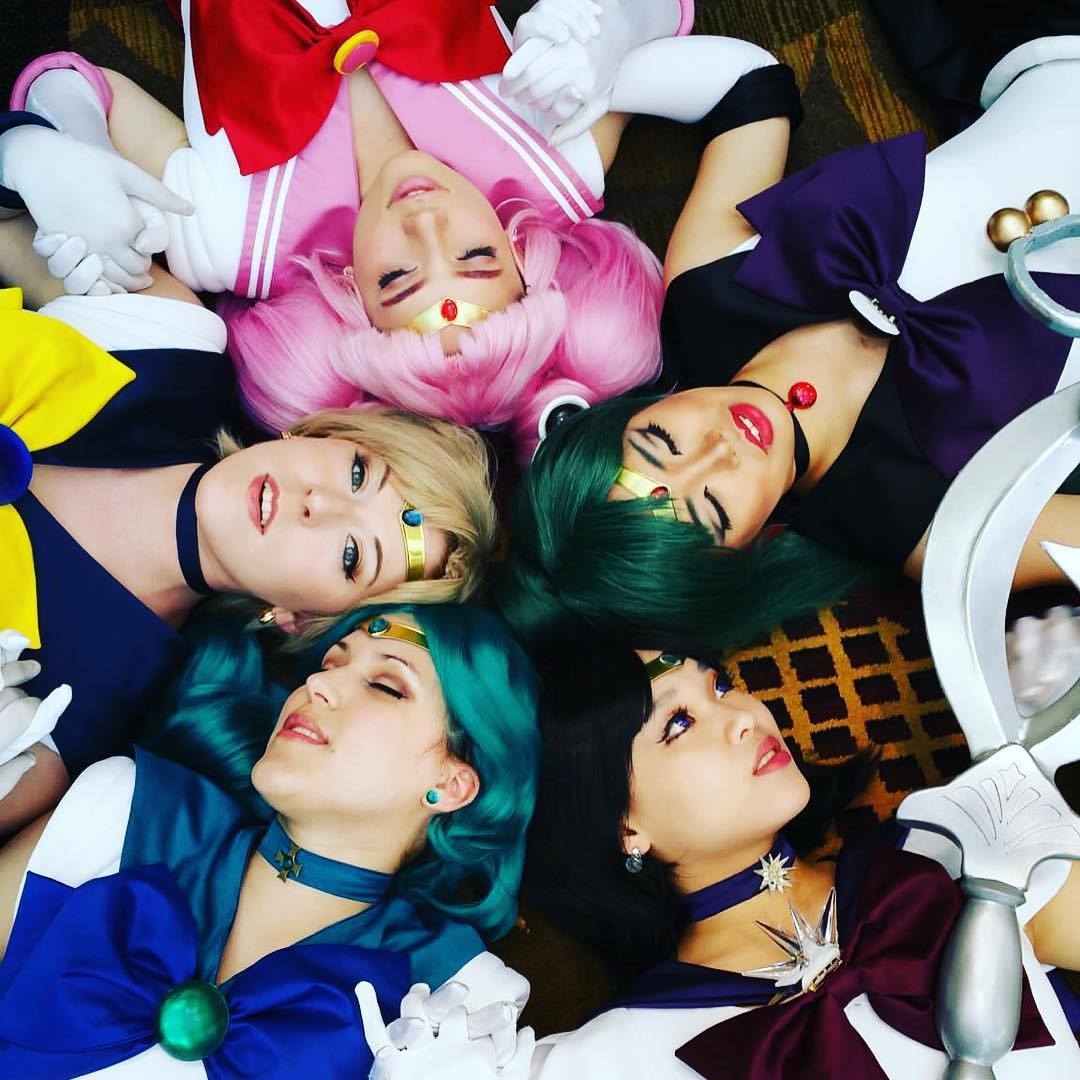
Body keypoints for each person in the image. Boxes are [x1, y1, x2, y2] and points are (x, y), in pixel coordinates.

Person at [4, 1, 808, 458]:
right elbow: (733, 72)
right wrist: (613, 32)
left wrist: (58, 148)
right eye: (475, 255)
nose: (424, 221)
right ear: (520, 253)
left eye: (398, 278)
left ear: (352, 297)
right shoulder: (547, 162)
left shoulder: (227, 234)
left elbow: (74, 81)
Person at [494, 35, 1080, 657]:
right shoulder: (938, 531)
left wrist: (584, 122)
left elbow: (746, 89)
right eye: (713, 510)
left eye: (660, 442)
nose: (719, 450)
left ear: (623, 415)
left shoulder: (707, 287)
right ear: (748, 551)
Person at [0, 127, 497, 833]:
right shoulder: (167, 341)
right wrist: (24, 157)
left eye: (352, 555)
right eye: (359, 472)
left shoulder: (65, 716)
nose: (319, 505)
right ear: (321, 433)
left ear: (301, 619)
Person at [0, 604, 539, 1078]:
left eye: (385, 686)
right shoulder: (121, 809)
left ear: (450, 785)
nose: (318, 685)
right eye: (330, 663)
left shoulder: (459, 1004)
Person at [517, 643, 1080, 1078]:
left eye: (721, 685)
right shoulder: (626, 1051)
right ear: (625, 828)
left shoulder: (947, 849)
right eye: (679, 723)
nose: (742, 715)